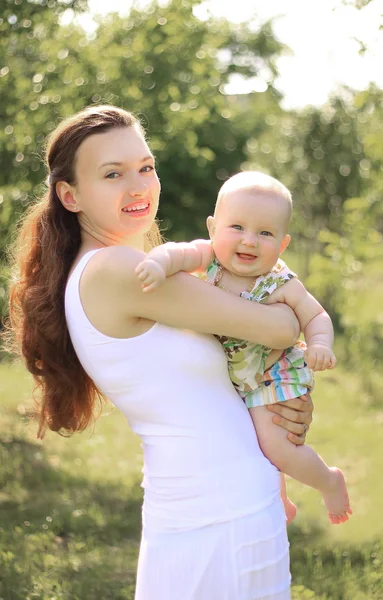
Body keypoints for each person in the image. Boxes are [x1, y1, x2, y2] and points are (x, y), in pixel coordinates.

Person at [8, 105, 315, 600]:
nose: (139, 186)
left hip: (211, 505)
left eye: (146, 167)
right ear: (70, 195)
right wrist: (289, 305)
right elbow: (278, 327)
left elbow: (224, 375)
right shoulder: (116, 271)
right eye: (113, 174)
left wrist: (279, 413)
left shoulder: (120, 267)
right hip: (217, 514)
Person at [135, 171, 352, 526]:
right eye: (237, 227)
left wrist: (320, 343)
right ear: (213, 228)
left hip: (271, 375)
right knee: (250, 440)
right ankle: (279, 499)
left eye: (265, 233)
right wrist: (159, 264)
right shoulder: (211, 260)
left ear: (282, 244)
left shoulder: (281, 282)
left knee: (276, 444)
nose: (249, 241)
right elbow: (178, 252)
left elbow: (316, 315)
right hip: (237, 378)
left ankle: (329, 481)